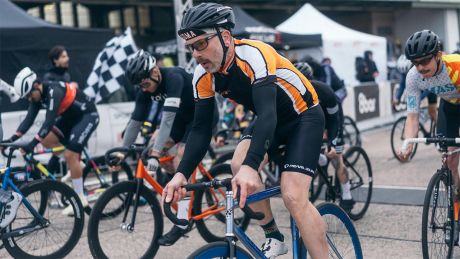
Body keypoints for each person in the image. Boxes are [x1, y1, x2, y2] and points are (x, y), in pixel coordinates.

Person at [162, 3, 328, 258]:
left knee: (293, 196)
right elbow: (201, 128)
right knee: (238, 165)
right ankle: (273, 235)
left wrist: (254, 166)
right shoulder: (202, 75)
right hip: (267, 118)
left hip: (303, 116)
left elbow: (269, 113)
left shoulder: (254, 54)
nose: (195, 54)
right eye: (191, 47)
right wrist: (182, 174)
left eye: (201, 44)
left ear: (225, 36)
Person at [119, 49, 198, 246]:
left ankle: (183, 222)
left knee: (180, 157)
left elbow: (167, 120)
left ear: (155, 72)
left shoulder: (174, 78)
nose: (144, 89)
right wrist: (122, 151)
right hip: (181, 119)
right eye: (140, 86)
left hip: (199, 118)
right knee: (153, 150)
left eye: (145, 84)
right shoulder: (145, 87)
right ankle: (185, 190)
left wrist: (155, 153)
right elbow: (135, 122)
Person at [4, 67, 99, 215]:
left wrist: (31, 145)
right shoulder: (37, 95)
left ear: (36, 85)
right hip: (70, 119)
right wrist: (10, 140)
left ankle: (80, 198)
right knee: (47, 140)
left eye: (29, 95)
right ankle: (76, 164)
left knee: (69, 154)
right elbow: (28, 121)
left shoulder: (54, 91)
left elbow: (48, 123)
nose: (29, 99)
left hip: (87, 116)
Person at [398, 30, 460, 196]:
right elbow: (412, 115)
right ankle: (455, 208)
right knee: (450, 160)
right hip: (449, 106)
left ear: (438, 55)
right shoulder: (413, 77)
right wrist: (408, 142)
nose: (420, 67)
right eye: (415, 63)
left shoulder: (456, 65)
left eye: (425, 61)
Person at [294, 62, 354, 211]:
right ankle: (320, 159)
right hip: (317, 123)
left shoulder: (324, 91)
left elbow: (336, 121)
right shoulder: (293, 92)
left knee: (336, 157)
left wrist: (334, 143)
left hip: (334, 121)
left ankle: (347, 195)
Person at [393, 54, 438, 121]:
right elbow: (402, 85)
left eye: (407, 71)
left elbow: (429, 88)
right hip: (419, 88)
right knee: (412, 110)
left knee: (432, 111)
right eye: (404, 73)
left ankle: (438, 127)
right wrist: (397, 98)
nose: (406, 74)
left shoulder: (421, 69)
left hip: (430, 89)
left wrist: (418, 98)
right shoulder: (405, 73)